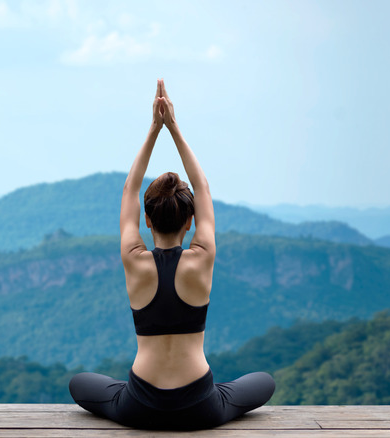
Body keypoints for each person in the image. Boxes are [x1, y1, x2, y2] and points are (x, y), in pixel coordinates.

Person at [68, 79, 275, 430]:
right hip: (201, 406)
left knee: (80, 383)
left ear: (146, 220)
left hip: (139, 405)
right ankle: (218, 394)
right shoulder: (202, 257)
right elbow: (203, 187)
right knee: (264, 382)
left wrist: (154, 128)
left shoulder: (135, 259)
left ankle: (130, 393)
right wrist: (173, 127)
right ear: (191, 220)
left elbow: (129, 188)